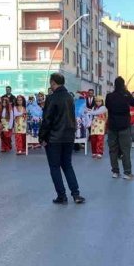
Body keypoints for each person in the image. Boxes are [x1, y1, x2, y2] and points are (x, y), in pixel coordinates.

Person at [39, 73, 85, 204]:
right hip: (68, 137)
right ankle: (76, 194)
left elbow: (47, 119)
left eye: (51, 83)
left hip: (54, 138)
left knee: (55, 167)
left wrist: (42, 136)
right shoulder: (70, 98)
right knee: (67, 165)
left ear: (53, 82)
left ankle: (61, 195)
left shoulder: (52, 98)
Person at [106, 77, 134, 179]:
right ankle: (127, 173)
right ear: (123, 85)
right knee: (125, 150)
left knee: (113, 150)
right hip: (124, 126)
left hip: (112, 126)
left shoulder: (109, 96)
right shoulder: (126, 95)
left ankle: (115, 172)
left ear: (114, 85)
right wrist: (126, 91)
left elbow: (108, 106)